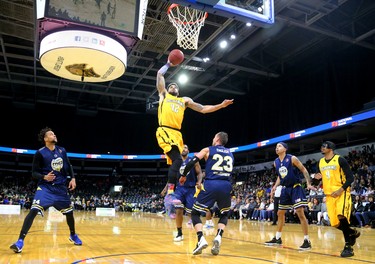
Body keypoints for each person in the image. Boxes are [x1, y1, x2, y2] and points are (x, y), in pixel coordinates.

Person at [156, 61, 233, 204]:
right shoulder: (164, 95)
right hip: (165, 129)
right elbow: (159, 74)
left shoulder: (184, 100)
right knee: (178, 160)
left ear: (178, 91)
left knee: (178, 163)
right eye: (171, 85)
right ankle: (170, 193)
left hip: (177, 134)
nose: (173, 86)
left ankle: (170, 194)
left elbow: (203, 109)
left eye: (175, 86)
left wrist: (221, 106)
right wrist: (168, 64)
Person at [10, 127, 82, 253]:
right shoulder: (40, 153)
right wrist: (44, 177)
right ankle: (20, 241)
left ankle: (73, 235)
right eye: (51, 134)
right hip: (46, 188)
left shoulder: (62, 150)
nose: (54, 135)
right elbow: (34, 173)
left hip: (61, 188)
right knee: (33, 211)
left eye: (54, 133)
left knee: (69, 213)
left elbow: (68, 165)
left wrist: (73, 178)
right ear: (45, 138)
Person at [180, 132, 234, 256]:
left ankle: (201, 239)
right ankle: (218, 237)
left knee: (195, 213)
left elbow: (192, 162)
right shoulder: (230, 153)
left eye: (214, 136)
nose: (213, 138)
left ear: (217, 139)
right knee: (224, 214)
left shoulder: (208, 150)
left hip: (211, 184)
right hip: (226, 185)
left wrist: (183, 176)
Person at [265, 142, 315, 250]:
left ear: (285, 149)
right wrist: (274, 186)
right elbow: (280, 176)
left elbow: (303, 169)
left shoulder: (292, 158)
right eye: (276, 147)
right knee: (280, 213)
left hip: (295, 187)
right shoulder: (276, 162)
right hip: (285, 189)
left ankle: (307, 240)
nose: (277, 148)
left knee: (300, 213)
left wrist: (308, 183)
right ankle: (278, 238)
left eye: (279, 146)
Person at [314, 141, 360, 257]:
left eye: (324, 146)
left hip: (342, 193)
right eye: (322, 145)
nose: (322, 147)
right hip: (329, 195)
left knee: (341, 216)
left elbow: (350, 178)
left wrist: (341, 189)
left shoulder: (340, 160)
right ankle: (352, 233)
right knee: (335, 223)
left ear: (331, 148)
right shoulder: (320, 162)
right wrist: (316, 178)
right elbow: (318, 180)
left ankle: (348, 247)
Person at [173, 144, 203, 242]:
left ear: (188, 151)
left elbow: (199, 173)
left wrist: (199, 182)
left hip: (191, 189)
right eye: (182, 147)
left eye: (185, 147)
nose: (183, 149)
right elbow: (172, 176)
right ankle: (179, 233)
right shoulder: (176, 162)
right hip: (179, 189)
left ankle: (199, 234)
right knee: (178, 210)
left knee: (192, 213)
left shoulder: (193, 160)